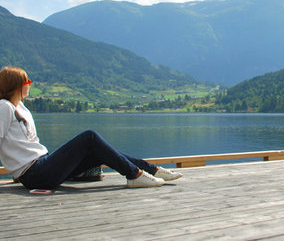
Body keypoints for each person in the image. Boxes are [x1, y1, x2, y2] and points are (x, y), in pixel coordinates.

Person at [0, 66, 182, 190]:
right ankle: (135, 175)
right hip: (35, 174)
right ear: (16, 85)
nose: (30, 84)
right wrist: (18, 171)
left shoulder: (20, 107)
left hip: (43, 166)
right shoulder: (4, 107)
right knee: (90, 137)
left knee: (97, 152)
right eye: (27, 82)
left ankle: (151, 170)